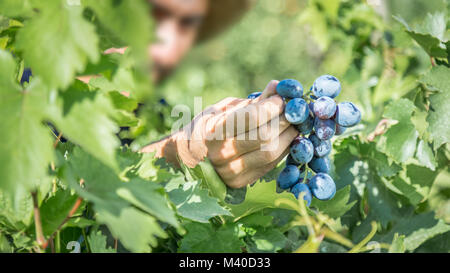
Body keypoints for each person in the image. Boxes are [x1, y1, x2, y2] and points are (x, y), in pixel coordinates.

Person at [122, 0, 298, 189]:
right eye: (153, 13)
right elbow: (86, 190)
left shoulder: (156, 112)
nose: (167, 51)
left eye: (187, 23)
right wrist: (177, 154)